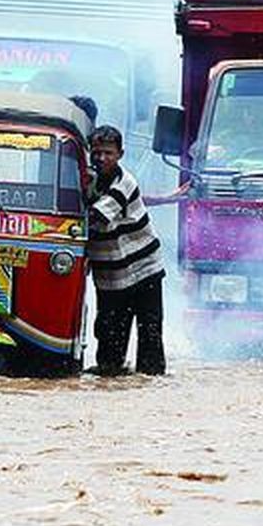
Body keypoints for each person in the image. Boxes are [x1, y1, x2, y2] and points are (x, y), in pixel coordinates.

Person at [85, 124, 166, 376]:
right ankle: (111, 375)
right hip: (111, 276)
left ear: (120, 153)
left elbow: (93, 217)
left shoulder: (124, 183)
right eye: (96, 153)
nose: (101, 158)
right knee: (109, 335)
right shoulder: (89, 180)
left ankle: (149, 383)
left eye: (108, 153)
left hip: (144, 270)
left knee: (150, 334)